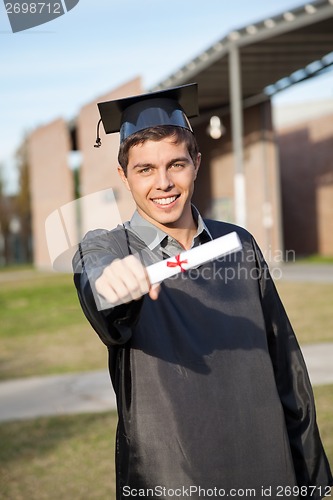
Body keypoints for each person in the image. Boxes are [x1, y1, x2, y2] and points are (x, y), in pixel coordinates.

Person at [73, 83, 332, 500]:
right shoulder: (108, 249)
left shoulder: (240, 244)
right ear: (124, 175)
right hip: (171, 475)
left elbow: (286, 363)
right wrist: (112, 283)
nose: (163, 184)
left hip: (266, 465)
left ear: (196, 162)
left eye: (176, 165)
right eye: (145, 170)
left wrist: (310, 478)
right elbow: (97, 283)